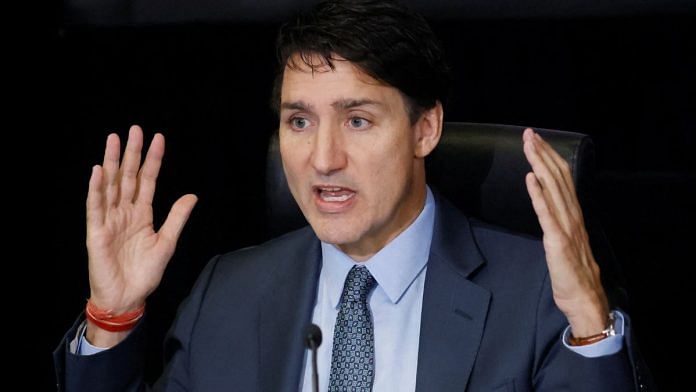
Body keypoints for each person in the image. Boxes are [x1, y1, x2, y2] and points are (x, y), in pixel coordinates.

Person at [54, 0, 651, 391]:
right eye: (299, 122)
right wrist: (112, 318)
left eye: (358, 120)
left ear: (426, 129)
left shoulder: (539, 292)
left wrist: (591, 332)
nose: (323, 159)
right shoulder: (229, 293)